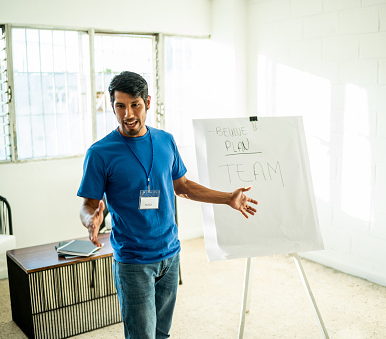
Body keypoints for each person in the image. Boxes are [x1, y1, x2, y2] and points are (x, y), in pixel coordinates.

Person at [77, 71, 258, 339]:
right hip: (133, 261)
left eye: (135, 104)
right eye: (120, 106)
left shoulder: (165, 140)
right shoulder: (100, 153)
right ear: (112, 106)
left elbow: (182, 187)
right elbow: (88, 204)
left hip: (170, 255)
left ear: (147, 102)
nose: (128, 114)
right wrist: (90, 218)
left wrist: (226, 198)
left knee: (161, 333)